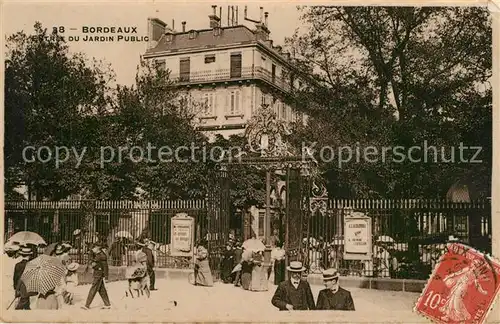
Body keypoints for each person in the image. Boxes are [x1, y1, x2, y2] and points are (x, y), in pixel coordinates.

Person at [81, 244, 111, 310]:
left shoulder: (102, 256)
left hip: (99, 274)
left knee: (93, 289)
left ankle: (87, 305)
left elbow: (105, 267)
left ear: (97, 248)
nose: (92, 250)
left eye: (93, 248)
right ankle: (107, 304)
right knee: (101, 290)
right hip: (97, 273)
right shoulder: (98, 255)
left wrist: (106, 277)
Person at [14, 245, 35, 310]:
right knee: (21, 306)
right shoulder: (31, 265)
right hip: (28, 287)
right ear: (29, 255)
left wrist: (16, 287)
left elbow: (15, 278)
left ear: (22, 255)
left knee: (25, 304)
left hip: (19, 287)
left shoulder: (17, 265)